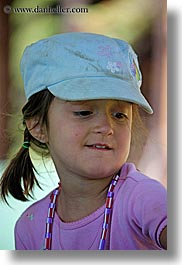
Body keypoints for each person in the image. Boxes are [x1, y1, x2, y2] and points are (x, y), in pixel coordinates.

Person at [0, 32, 167, 250]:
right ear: (38, 126)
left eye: (119, 115)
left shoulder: (143, 199)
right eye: (84, 112)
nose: (107, 127)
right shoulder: (30, 227)